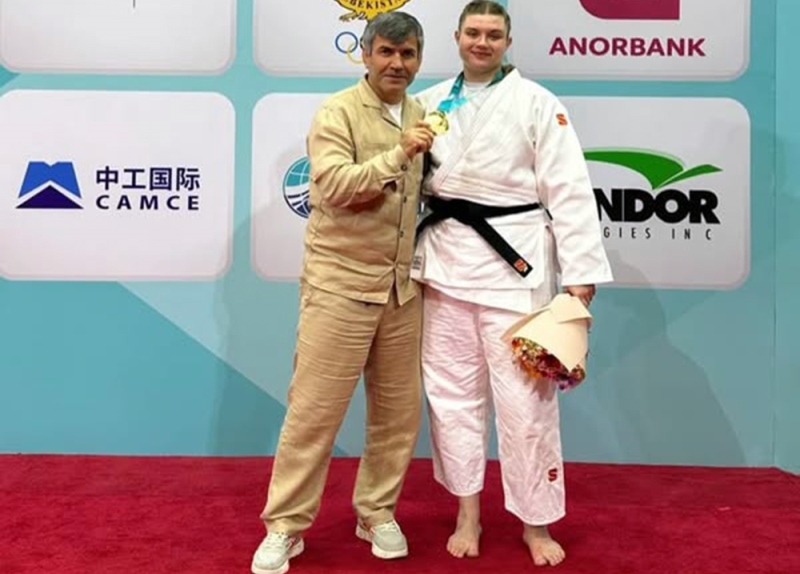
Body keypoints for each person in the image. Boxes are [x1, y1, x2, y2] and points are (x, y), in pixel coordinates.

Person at [412, 0, 613, 567]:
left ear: (507, 41)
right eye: (473, 32)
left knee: (527, 405)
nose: (482, 42)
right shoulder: (427, 103)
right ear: (456, 36)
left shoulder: (537, 103)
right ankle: (467, 513)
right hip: (445, 265)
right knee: (451, 398)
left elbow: (569, 188)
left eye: (493, 35)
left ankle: (536, 523)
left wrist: (580, 275)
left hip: (514, 270)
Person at [250, 11, 435, 574]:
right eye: (386, 52)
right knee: (314, 416)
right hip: (340, 286)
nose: (397, 63)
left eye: (407, 54)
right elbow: (331, 186)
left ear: (419, 59)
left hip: (402, 290)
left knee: (397, 418)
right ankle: (285, 526)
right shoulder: (337, 112)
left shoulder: (424, 114)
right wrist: (398, 154)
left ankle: (376, 512)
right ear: (366, 54)